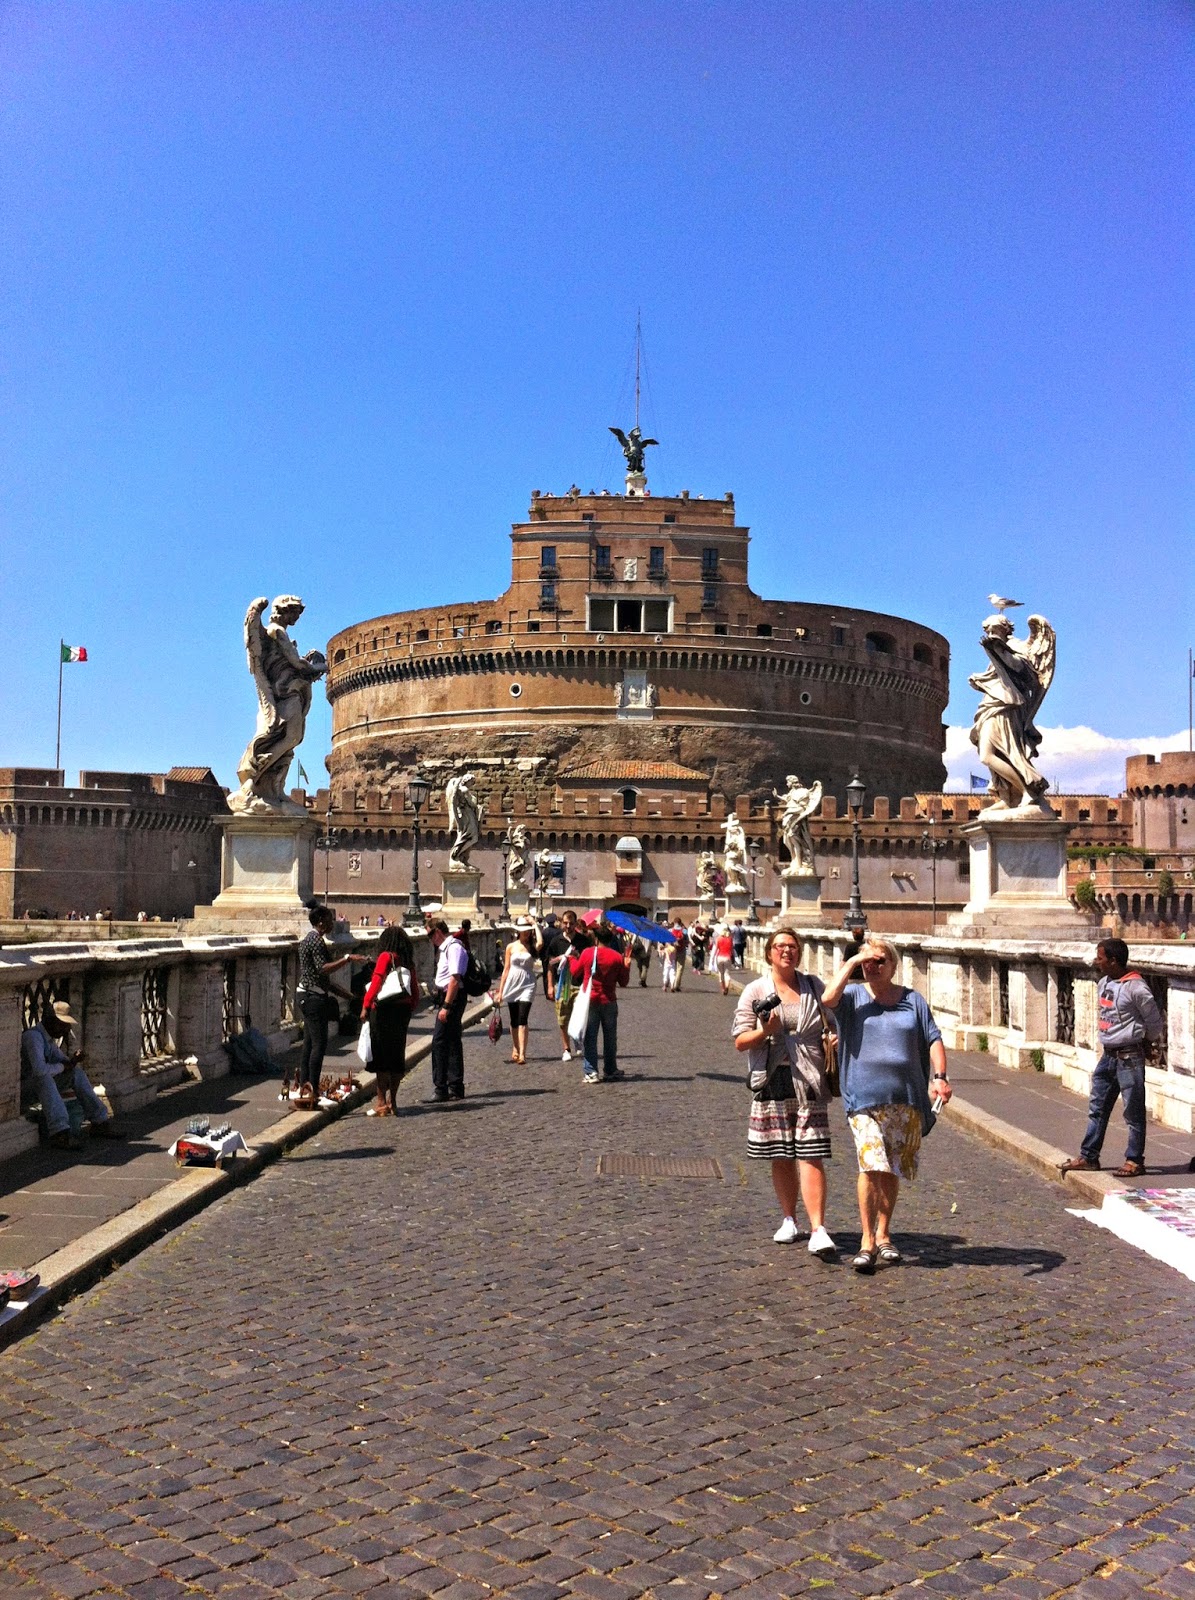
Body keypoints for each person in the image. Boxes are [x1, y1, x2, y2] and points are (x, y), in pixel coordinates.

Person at [821, 937, 949, 1274]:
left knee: (891, 1168)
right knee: (871, 1164)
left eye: (880, 960)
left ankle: (885, 1233)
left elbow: (933, 1038)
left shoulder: (912, 1000)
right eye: (868, 961)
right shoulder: (852, 997)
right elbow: (827, 998)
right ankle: (866, 1240)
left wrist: (940, 1077)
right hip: (862, 1098)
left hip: (905, 1098)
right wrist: (853, 961)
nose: (873, 966)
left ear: (893, 965)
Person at [733, 927, 836, 1261]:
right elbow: (740, 1041)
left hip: (809, 1078)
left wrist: (832, 1038)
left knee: (811, 1152)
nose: (786, 951)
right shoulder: (755, 990)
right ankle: (789, 1219)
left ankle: (818, 1229)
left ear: (799, 953)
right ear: (769, 953)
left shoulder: (813, 986)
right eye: (780, 946)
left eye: (792, 946)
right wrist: (765, 1031)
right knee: (781, 1154)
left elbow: (831, 1020)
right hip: (772, 1078)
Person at [1061, 939, 1164, 1180]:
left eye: (1100, 958)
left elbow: (1154, 1021)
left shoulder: (1136, 988)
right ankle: (1089, 1156)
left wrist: (1145, 1042)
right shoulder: (1104, 983)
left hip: (1129, 1056)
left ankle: (1134, 1160)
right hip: (1108, 1056)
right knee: (1097, 1107)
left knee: (1133, 1111)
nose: (1096, 962)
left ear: (1113, 961)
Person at [20, 1001, 126, 1151]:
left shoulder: (49, 1041)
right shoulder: (33, 1037)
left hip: (39, 1088)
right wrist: (64, 1066)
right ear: (50, 1020)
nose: (65, 1030)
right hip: (22, 1091)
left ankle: (99, 1121)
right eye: (62, 1025)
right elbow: (39, 1070)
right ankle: (59, 1132)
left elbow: (63, 1063)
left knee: (76, 1073)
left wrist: (73, 1061)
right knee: (44, 1078)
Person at [296, 904, 368, 1106]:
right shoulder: (316, 941)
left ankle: (305, 1086)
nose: (332, 924)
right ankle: (312, 1088)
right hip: (313, 999)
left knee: (309, 1044)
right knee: (319, 1045)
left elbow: (321, 979)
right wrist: (347, 958)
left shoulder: (308, 939)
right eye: (329, 920)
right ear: (320, 922)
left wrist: (348, 995)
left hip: (306, 995)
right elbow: (323, 969)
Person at [361, 924, 421, 1115]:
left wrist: (366, 1005)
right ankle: (393, 1101)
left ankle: (381, 1102)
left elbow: (377, 981)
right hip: (402, 1012)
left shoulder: (386, 957)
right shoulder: (408, 962)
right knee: (396, 1056)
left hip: (383, 1010)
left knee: (381, 1057)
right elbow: (415, 990)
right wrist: (409, 1007)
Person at [569, 921, 632, 1083]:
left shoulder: (588, 953)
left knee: (590, 1037)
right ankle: (610, 1069)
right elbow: (623, 982)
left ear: (596, 939)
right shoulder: (617, 957)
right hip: (609, 1001)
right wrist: (626, 966)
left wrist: (572, 959)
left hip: (590, 1000)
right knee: (610, 1037)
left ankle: (591, 1071)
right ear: (610, 940)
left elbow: (575, 972)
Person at [429, 919, 469, 1101]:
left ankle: (442, 1088)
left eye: (430, 935)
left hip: (451, 998)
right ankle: (454, 1086)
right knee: (451, 1040)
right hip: (448, 997)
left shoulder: (453, 948)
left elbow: (454, 979)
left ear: (438, 931)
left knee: (439, 1041)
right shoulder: (447, 948)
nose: (430, 939)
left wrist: (446, 1006)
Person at [495, 916, 540, 1064]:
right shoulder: (511, 947)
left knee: (522, 1018)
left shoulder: (532, 946)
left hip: (528, 984)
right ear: (518, 932)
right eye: (523, 930)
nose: (526, 933)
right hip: (513, 983)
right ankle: (515, 1046)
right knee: (514, 1019)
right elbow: (506, 969)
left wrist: (535, 924)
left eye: (528, 930)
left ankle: (522, 1054)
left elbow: (541, 943)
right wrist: (500, 991)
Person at [545, 910, 581, 1059]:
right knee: (562, 1019)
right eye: (565, 923)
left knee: (580, 1016)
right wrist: (550, 986)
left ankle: (577, 1037)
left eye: (571, 923)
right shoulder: (556, 941)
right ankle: (566, 1049)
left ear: (576, 924)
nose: (568, 926)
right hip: (561, 984)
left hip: (579, 985)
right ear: (561, 923)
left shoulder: (583, 941)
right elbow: (550, 965)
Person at [713, 925, 734, 994]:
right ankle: (727, 987)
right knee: (727, 974)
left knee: (721, 973)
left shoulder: (719, 939)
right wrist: (732, 957)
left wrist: (713, 958)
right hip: (727, 957)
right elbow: (732, 949)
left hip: (719, 957)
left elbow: (716, 949)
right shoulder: (730, 939)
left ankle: (723, 988)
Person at [670, 919, 689, 990]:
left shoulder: (670, 930)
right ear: (680, 923)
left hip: (672, 950)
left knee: (672, 968)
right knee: (680, 968)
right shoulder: (684, 931)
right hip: (682, 951)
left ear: (674, 922)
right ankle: (676, 984)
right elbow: (687, 941)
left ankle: (671, 983)